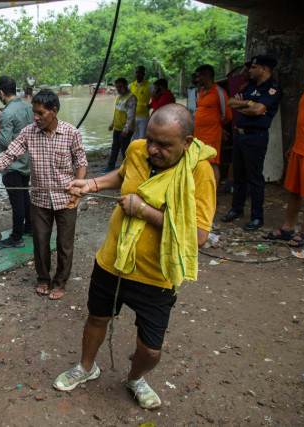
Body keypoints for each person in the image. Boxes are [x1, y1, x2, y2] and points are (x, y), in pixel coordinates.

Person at [54, 104, 216, 410]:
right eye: (151, 139)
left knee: (151, 349)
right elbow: (124, 173)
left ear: (187, 141)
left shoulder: (200, 173)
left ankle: (136, 378)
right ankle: (86, 368)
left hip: (156, 275)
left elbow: (197, 235)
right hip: (112, 262)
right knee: (97, 318)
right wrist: (92, 184)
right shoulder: (138, 149)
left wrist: (143, 211)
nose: (153, 149)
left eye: (165, 145)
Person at [0, 89, 88, 300]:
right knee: (40, 242)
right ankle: (43, 278)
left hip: (67, 199)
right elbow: (8, 156)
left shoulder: (71, 132)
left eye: (40, 113)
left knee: (65, 244)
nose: (35, 117)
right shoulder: (29, 132)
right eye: (34, 112)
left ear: (54, 111)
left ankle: (60, 281)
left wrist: (79, 190)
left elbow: (81, 162)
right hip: (39, 200)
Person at [221, 55, 283, 231]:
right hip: (240, 136)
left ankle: (257, 216)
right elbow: (231, 102)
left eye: (254, 67)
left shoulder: (272, 89)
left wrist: (246, 106)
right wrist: (248, 103)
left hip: (256, 136)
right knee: (238, 175)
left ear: (264, 69)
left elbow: (258, 110)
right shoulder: (249, 87)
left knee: (255, 177)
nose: (250, 70)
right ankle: (237, 209)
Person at [262, 54, 304, 247]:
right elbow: (303, 122)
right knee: (294, 190)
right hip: (299, 149)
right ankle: (288, 227)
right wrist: (292, 144)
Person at [0, 75, 34, 248]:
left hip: (12, 165)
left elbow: (6, 142)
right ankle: (29, 227)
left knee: (17, 200)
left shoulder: (7, 113)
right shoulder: (29, 107)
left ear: (1, 92)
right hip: (26, 161)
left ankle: (16, 237)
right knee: (24, 196)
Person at [194, 64, 232, 189]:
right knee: (198, 162)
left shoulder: (218, 92)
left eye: (199, 77)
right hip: (198, 134)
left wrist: (216, 125)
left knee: (212, 163)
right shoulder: (201, 92)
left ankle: (212, 194)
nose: (197, 80)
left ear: (207, 76)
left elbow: (227, 115)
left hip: (211, 134)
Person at [102, 78, 137, 174]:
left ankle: (128, 168)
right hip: (117, 128)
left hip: (125, 130)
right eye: (117, 87)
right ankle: (110, 165)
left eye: (120, 87)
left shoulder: (131, 98)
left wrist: (126, 129)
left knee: (125, 149)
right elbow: (117, 112)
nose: (118, 89)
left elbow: (131, 116)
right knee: (115, 147)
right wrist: (112, 124)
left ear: (126, 85)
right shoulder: (119, 97)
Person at [129, 66, 153, 140]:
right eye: (136, 72)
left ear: (143, 73)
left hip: (144, 116)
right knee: (133, 137)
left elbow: (156, 97)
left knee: (142, 137)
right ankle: (133, 151)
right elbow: (126, 98)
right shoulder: (131, 86)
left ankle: (141, 151)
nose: (137, 74)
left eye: (139, 72)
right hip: (132, 116)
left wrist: (151, 105)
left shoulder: (149, 86)